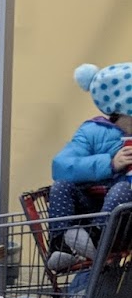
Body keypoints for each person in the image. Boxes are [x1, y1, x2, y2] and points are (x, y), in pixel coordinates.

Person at [48, 62, 132, 259]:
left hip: (123, 222)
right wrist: (110, 163)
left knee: (122, 189)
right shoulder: (93, 131)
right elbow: (60, 167)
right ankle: (60, 246)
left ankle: (97, 240)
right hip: (88, 209)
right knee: (61, 187)